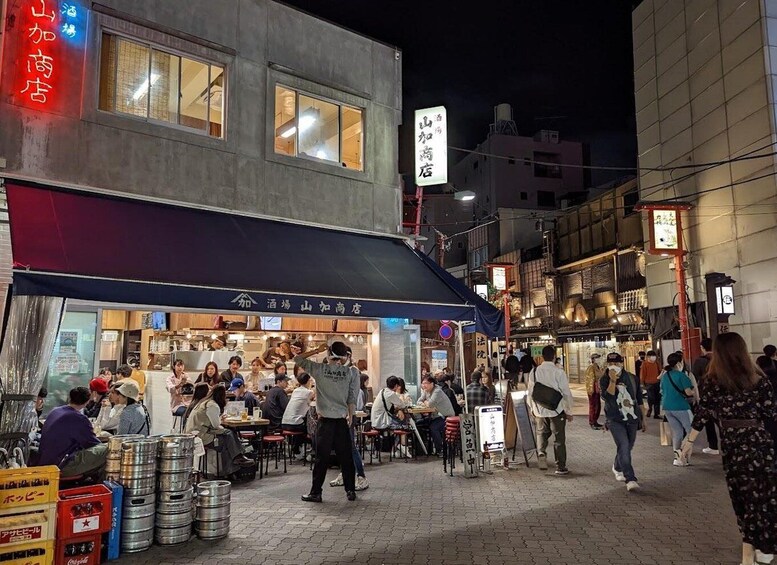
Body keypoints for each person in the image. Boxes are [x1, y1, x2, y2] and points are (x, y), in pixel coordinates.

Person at [681, 332, 777, 565]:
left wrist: (689, 440)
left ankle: (751, 553)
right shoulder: (758, 379)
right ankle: (763, 547)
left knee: (742, 499)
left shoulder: (712, 381)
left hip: (734, 448)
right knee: (763, 498)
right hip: (760, 444)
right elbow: (771, 414)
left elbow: (703, 412)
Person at [292, 341, 359, 502]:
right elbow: (351, 397)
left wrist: (316, 349)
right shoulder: (348, 373)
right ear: (343, 355)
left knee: (321, 458)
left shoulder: (319, 370)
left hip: (326, 422)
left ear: (329, 354)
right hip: (342, 421)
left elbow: (297, 359)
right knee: (346, 458)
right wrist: (351, 416)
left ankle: (316, 492)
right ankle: (350, 490)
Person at [184, 384, 254, 476]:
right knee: (227, 440)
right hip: (200, 436)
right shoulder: (212, 405)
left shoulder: (204, 402)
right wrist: (221, 420)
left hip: (197, 433)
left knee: (228, 435)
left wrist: (219, 420)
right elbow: (216, 425)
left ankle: (236, 461)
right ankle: (234, 463)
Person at [600, 352, 645, 492]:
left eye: (617, 363)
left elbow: (639, 400)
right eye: (611, 364)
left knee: (627, 446)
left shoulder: (632, 378)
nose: (614, 366)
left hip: (632, 418)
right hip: (614, 419)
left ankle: (617, 466)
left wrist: (643, 419)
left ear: (622, 363)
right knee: (624, 445)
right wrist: (612, 380)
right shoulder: (604, 379)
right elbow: (608, 397)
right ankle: (630, 478)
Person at [37, 387, 107, 477]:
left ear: (70, 397)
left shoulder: (55, 411)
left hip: (45, 460)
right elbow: (92, 443)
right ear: (87, 402)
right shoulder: (79, 418)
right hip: (61, 464)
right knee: (107, 449)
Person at [526, 345, 574, 475]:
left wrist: (532, 408)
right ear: (554, 357)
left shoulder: (534, 371)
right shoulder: (559, 372)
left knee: (541, 433)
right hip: (556, 410)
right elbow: (566, 393)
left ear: (542, 357)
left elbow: (530, 392)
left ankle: (541, 453)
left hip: (539, 410)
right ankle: (561, 467)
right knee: (559, 439)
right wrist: (569, 411)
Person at [660, 352, 695, 466]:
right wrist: (695, 392)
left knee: (677, 432)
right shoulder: (682, 376)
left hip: (667, 407)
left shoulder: (665, 375)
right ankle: (684, 456)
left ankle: (677, 459)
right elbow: (688, 392)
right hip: (681, 407)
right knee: (691, 431)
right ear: (680, 363)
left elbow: (662, 390)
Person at [693, 338, 720, 455]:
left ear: (702, 348)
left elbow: (694, 377)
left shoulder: (700, 361)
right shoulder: (721, 359)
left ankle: (713, 446)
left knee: (708, 420)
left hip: (706, 394)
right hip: (723, 394)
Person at [418, 374, 456, 455]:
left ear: (432, 384)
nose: (423, 385)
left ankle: (441, 449)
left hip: (445, 416)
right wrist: (425, 402)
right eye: (423, 383)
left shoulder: (437, 391)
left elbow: (430, 404)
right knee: (418, 424)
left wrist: (426, 403)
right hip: (435, 416)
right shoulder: (426, 391)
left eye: (426, 383)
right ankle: (424, 450)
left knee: (434, 427)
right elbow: (419, 401)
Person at [282, 372, 315, 458]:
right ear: (308, 381)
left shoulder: (295, 391)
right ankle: (311, 452)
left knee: (303, 426)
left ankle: (296, 448)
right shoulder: (309, 392)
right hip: (295, 424)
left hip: (284, 422)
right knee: (312, 429)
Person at [640, 350, 662, 418]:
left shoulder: (657, 363)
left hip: (657, 382)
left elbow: (660, 371)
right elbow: (642, 374)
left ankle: (656, 413)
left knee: (657, 398)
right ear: (648, 357)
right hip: (648, 383)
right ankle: (650, 409)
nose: (653, 357)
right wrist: (642, 384)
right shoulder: (645, 364)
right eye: (651, 356)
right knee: (651, 398)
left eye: (654, 356)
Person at [584, 354, 604, 430]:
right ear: (593, 359)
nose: (599, 360)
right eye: (597, 358)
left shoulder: (597, 367)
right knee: (593, 406)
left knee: (597, 406)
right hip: (593, 390)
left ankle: (595, 420)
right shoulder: (591, 367)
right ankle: (592, 421)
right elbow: (590, 379)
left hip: (597, 389)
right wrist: (591, 390)